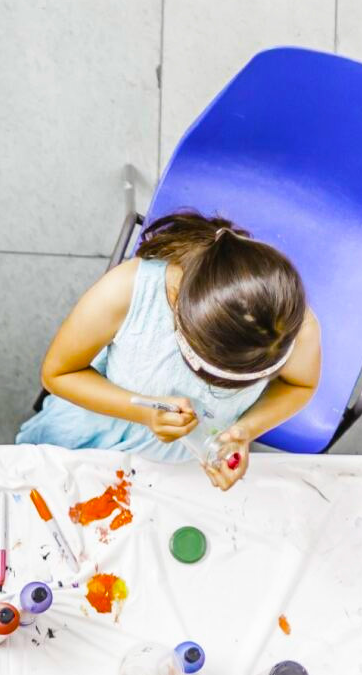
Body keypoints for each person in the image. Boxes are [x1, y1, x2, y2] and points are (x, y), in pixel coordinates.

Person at [16, 210, 321, 490]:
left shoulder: (289, 325)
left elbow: (299, 384)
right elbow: (57, 374)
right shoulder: (126, 290)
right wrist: (143, 413)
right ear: (177, 309)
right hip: (92, 433)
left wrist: (244, 430)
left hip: (184, 465)